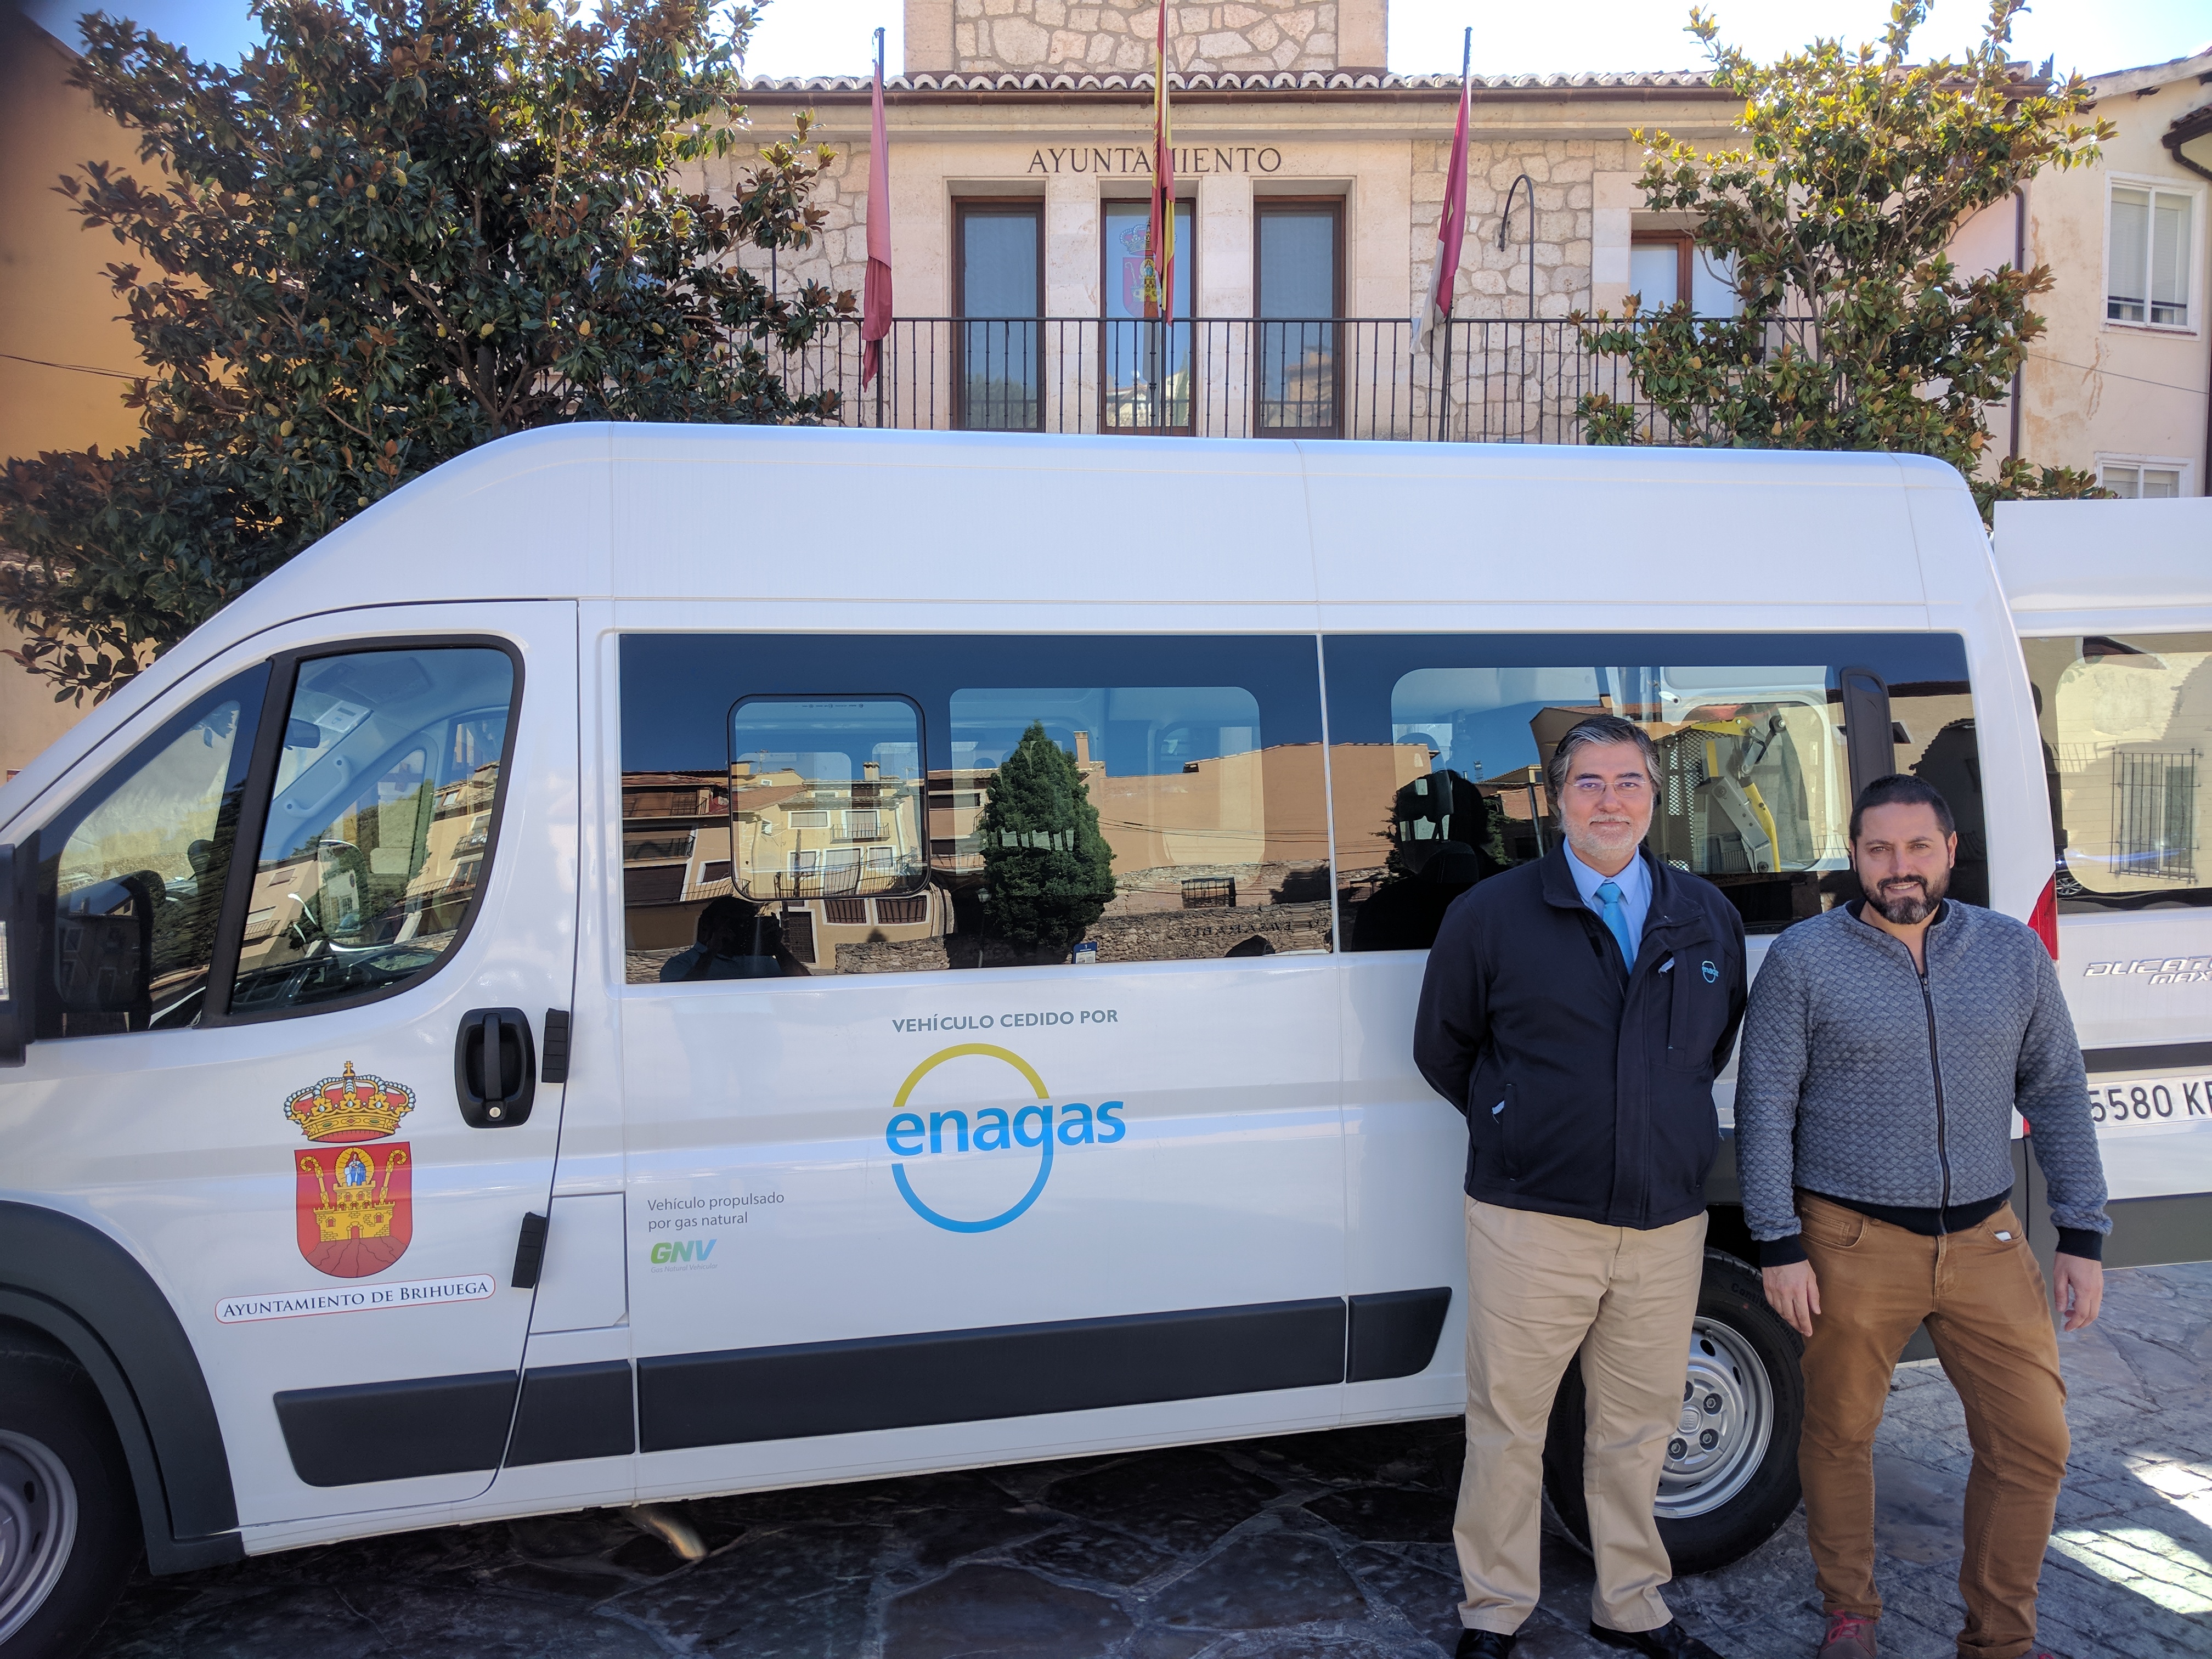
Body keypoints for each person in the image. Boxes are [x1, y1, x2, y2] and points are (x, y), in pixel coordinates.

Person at [1735, 774, 2108, 1659]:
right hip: (1849, 1242)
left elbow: (2056, 1090)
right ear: (1854, 855)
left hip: (1988, 1241)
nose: (1897, 867)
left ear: (1948, 849)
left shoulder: (2011, 952)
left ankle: (1999, 1637)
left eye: (1915, 847)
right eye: (1876, 848)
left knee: (2033, 1440)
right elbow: (1764, 1106)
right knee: (1838, 1432)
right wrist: (1777, 1241)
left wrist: (2082, 1232)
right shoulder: (1803, 957)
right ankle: (1850, 1612)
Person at [1415, 714, 1747, 1659]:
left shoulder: (1703, 913)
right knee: (1510, 1423)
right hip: (1531, 1218)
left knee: (1638, 1423)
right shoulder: (1491, 914)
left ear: (1654, 795)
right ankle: (1493, 1608)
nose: (1611, 801)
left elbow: (1711, 1041)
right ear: (1556, 801)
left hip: (1662, 1220)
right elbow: (1445, 1047)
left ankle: (1631, 1600)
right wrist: (1523, 1123)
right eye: (1590, 783)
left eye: (1629, 781)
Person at [659, 895, 808, 981]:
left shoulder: (762, 961)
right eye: (732, 922)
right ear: (706, 925)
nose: (740, 928)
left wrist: (776, 946)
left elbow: (805, 986)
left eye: (746, 923)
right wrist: (711, 953)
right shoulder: (680, 964)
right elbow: (681, 996)